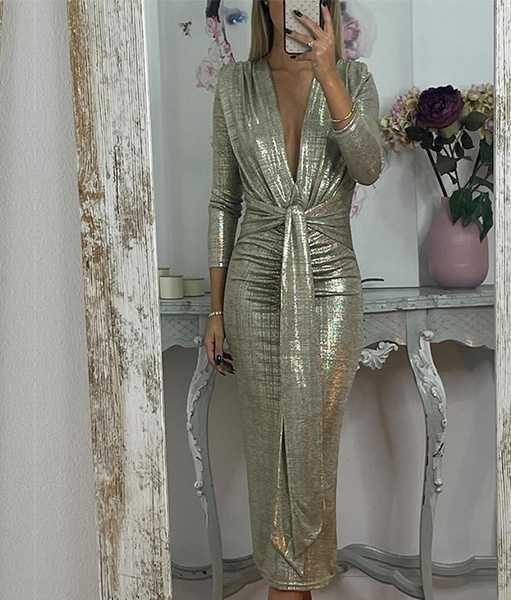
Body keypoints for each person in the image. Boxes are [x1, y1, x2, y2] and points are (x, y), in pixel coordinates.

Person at [203, 1, 384, 597]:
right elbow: (223, 201)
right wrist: (215, 309)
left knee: (313, 445)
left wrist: (329, 72)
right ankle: (289, 588)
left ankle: (293, 586)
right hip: (254, 285)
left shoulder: (353, 78)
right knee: (267, 447)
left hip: (331, 284)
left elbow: (369, 166)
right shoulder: (236, 85)